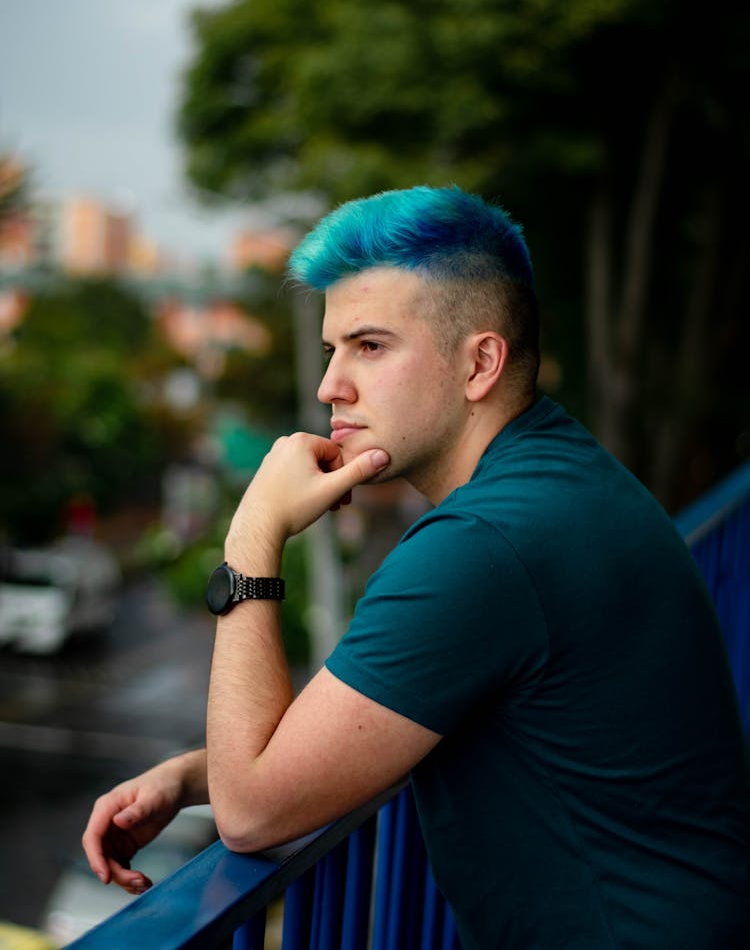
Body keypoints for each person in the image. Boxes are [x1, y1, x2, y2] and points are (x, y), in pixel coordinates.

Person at [83, 185, 750, 949]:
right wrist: (199, 774)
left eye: (369, 345)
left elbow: (253, 812)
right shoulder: (557, 476)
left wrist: (252, 536)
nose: (331, 384)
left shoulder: (482, 543)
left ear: (481, 364)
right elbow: (398, 710)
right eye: (334, 348)